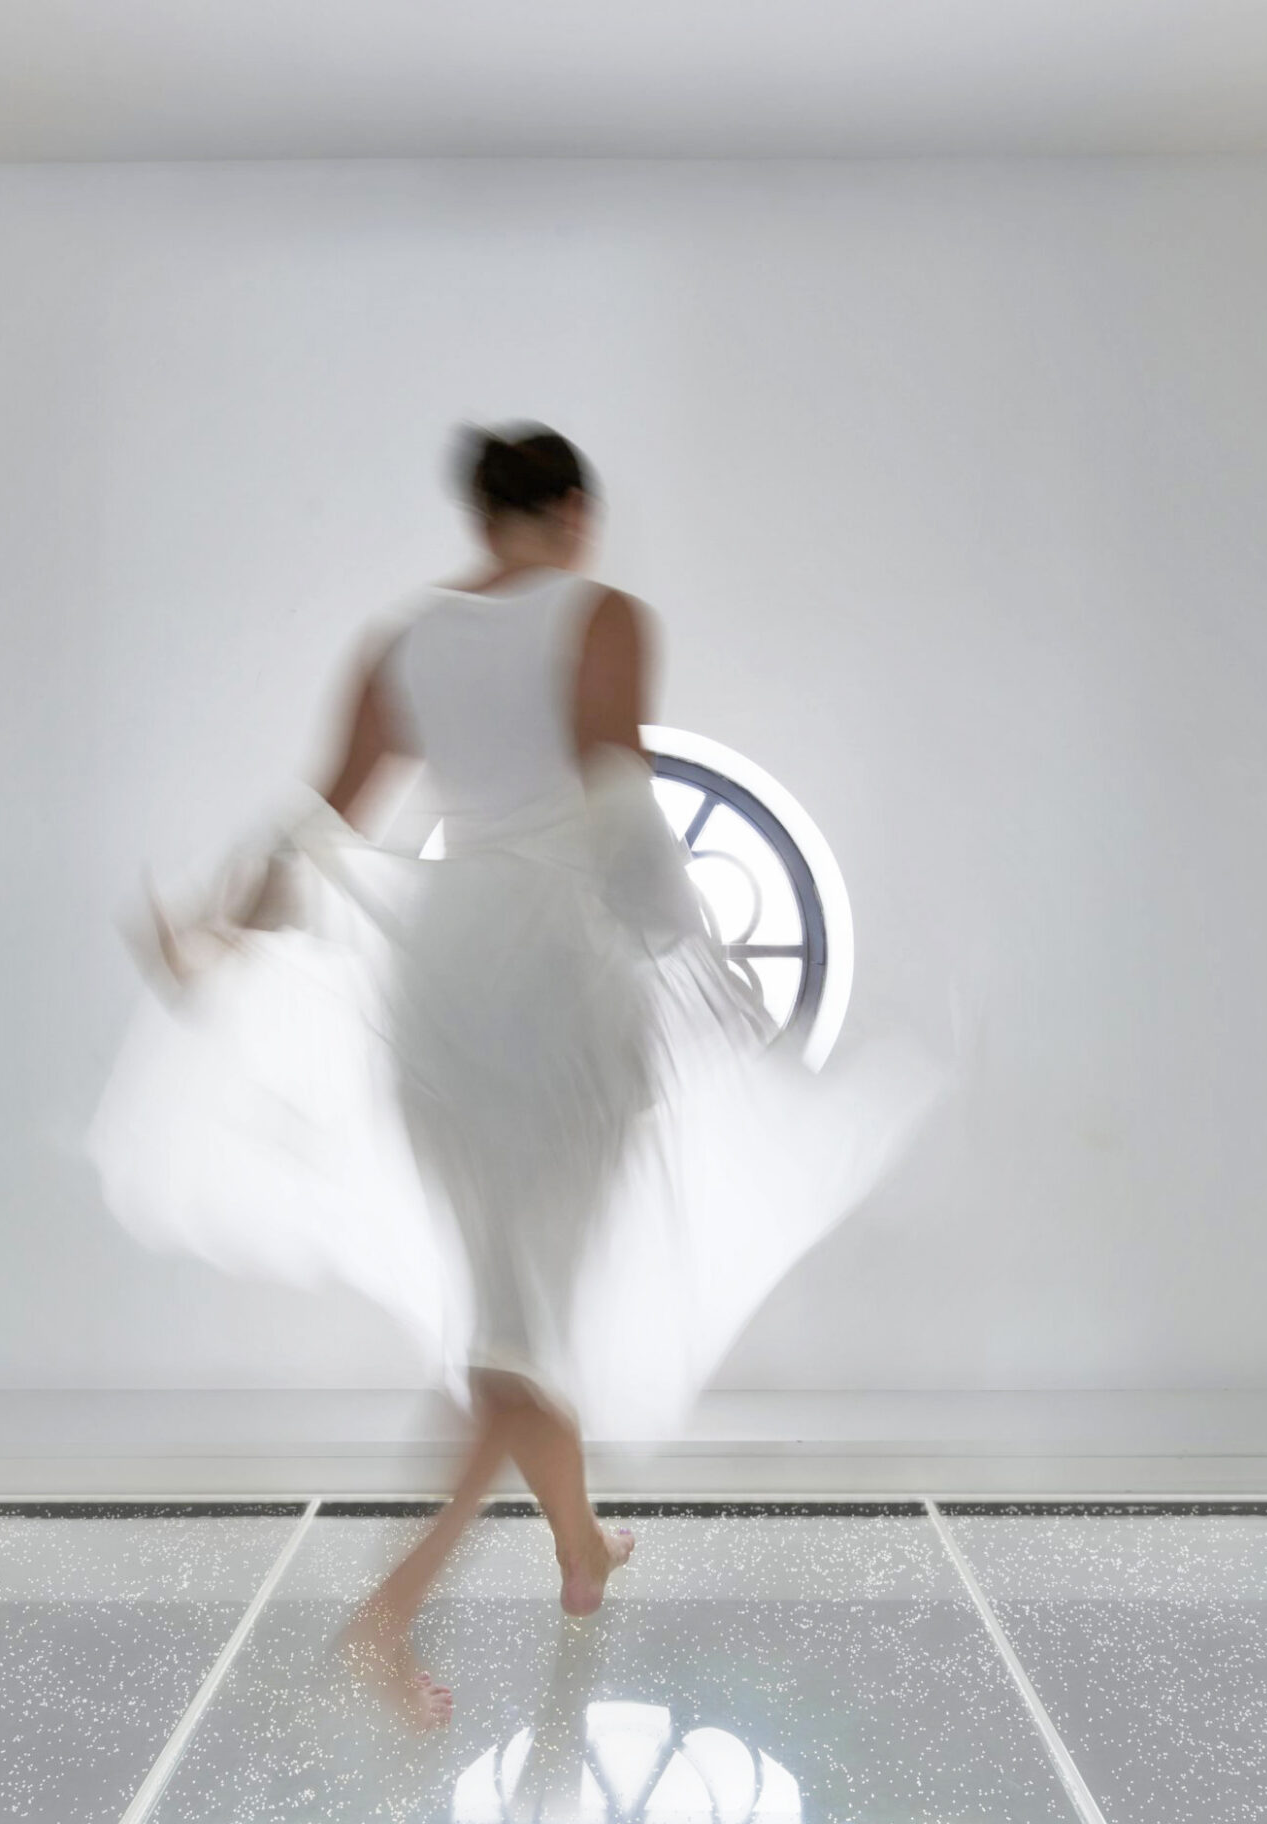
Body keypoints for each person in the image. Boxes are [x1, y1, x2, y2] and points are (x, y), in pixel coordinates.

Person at [95, 424, 930, 1726]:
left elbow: (324, 815)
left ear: (484, 519)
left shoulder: (404, 639)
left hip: (444, 978)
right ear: (574, 512)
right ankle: (390, 1610)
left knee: (511, 1298)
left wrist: (218, 930)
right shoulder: (602, 617)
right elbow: (616, 805)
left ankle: (580, 1545)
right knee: (522, 1325)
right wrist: (700, 967)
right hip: (552, 977)